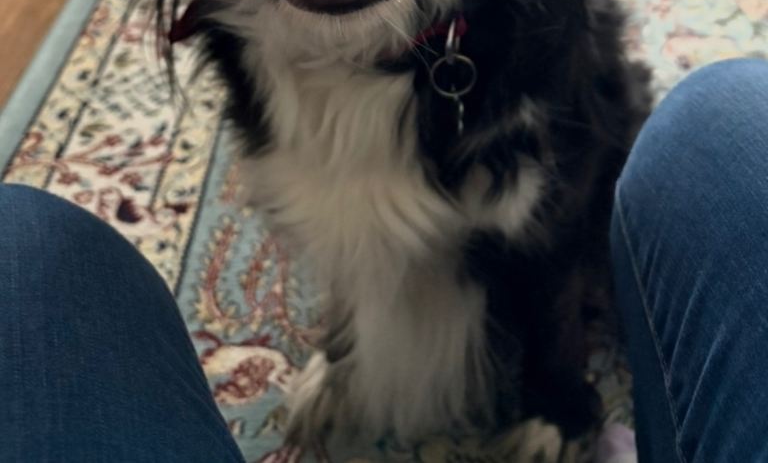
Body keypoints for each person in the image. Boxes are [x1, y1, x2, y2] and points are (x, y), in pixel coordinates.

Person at [1, 58, 766, 462]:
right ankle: (350, 346)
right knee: (719, 119)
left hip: (519, 108)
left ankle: (552, 393)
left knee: (22, 247)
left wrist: (558, 388)